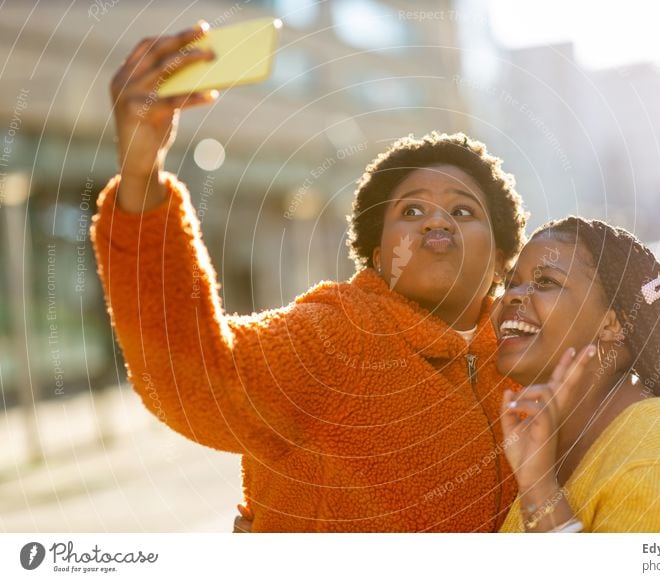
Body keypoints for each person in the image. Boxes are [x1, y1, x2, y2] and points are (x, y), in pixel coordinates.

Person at [91, 21, 528, 531]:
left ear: (501, 258)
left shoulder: (527, 357)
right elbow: (201, 381)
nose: (436, 220)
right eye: (410, 212)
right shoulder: (338, 335)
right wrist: (142, 175)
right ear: (379, 256)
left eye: (464, 210)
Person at [492, 216, 660, 532]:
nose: (510, 296)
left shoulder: (658, 450)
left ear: (613, 324)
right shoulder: (549, 445)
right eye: (510, 283)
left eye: (546, 282)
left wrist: (541, 492)